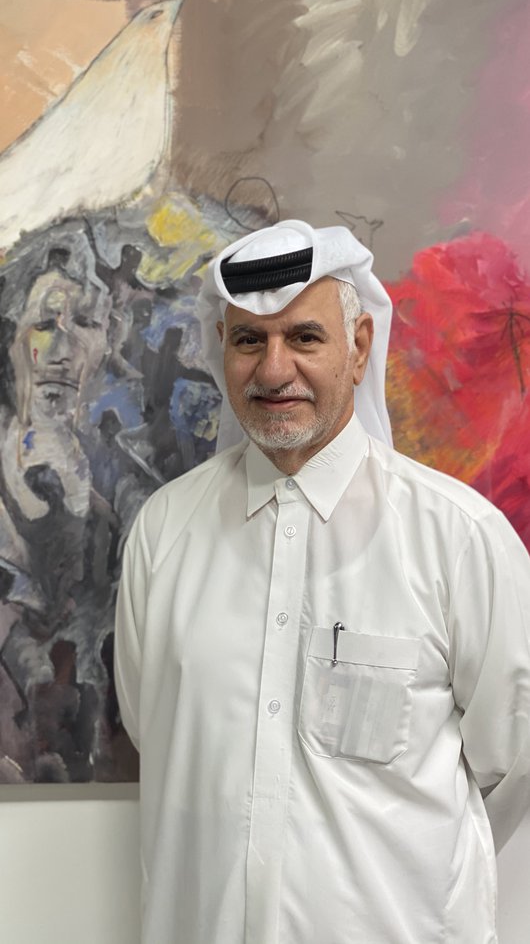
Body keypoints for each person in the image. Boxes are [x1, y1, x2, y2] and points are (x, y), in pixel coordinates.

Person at [115, 219, 530, 944]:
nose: (274, 371)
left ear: (360, 346)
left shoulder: (457, 539)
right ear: (224, 350)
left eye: (304, 338)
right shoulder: (163, 533)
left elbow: (514, 766)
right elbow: (163, 736)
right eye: (250, 340)